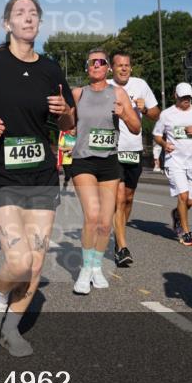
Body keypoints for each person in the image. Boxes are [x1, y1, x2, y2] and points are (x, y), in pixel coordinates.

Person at [0, 0, 75, 357]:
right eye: (20, 13)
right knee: (19, 261)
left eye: (34, 14)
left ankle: (11, 328)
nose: (28, 18)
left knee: (37, 263)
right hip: (1, 174)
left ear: (39, 24)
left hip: (41, 174)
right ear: (7, 23)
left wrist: (64, 112)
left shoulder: (51, 70)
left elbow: (70, 125)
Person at [69, 49, 140, 294]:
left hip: (109, 161)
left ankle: (96, 266)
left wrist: (124, 114)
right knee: (92, 216)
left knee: (105, 223)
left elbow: (137, 127)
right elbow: (66, 125)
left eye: (101, 62)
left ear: (108, 67)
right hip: (83, 161)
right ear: (87, 67)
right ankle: (85, 270)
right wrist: (64, 113)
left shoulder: (118, 92)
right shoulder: (78, 94)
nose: (96, 65)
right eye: (92, 62)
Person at [108, 50, 160, 266]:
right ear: (112, 68)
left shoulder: (141, 85)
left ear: (131, 67)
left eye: (127, 65)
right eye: (119, 65)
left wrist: (145, 109)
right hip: (113, 149)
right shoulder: (106, 86)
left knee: (128, 197)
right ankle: (122, 246)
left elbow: (157, 114)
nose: (123, 68)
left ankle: (119, 235)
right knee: (118, 198)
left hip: (133, 148)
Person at [153, 83, 192, 247]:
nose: (186, 100)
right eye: (183, 97)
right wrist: (165, 145)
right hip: (174, 161)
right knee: (183, 196)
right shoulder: (166, 115)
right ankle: (185, 233)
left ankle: (177, 215)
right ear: (175, 96)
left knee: (189, 202)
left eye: (189, 97)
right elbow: (157, 135)